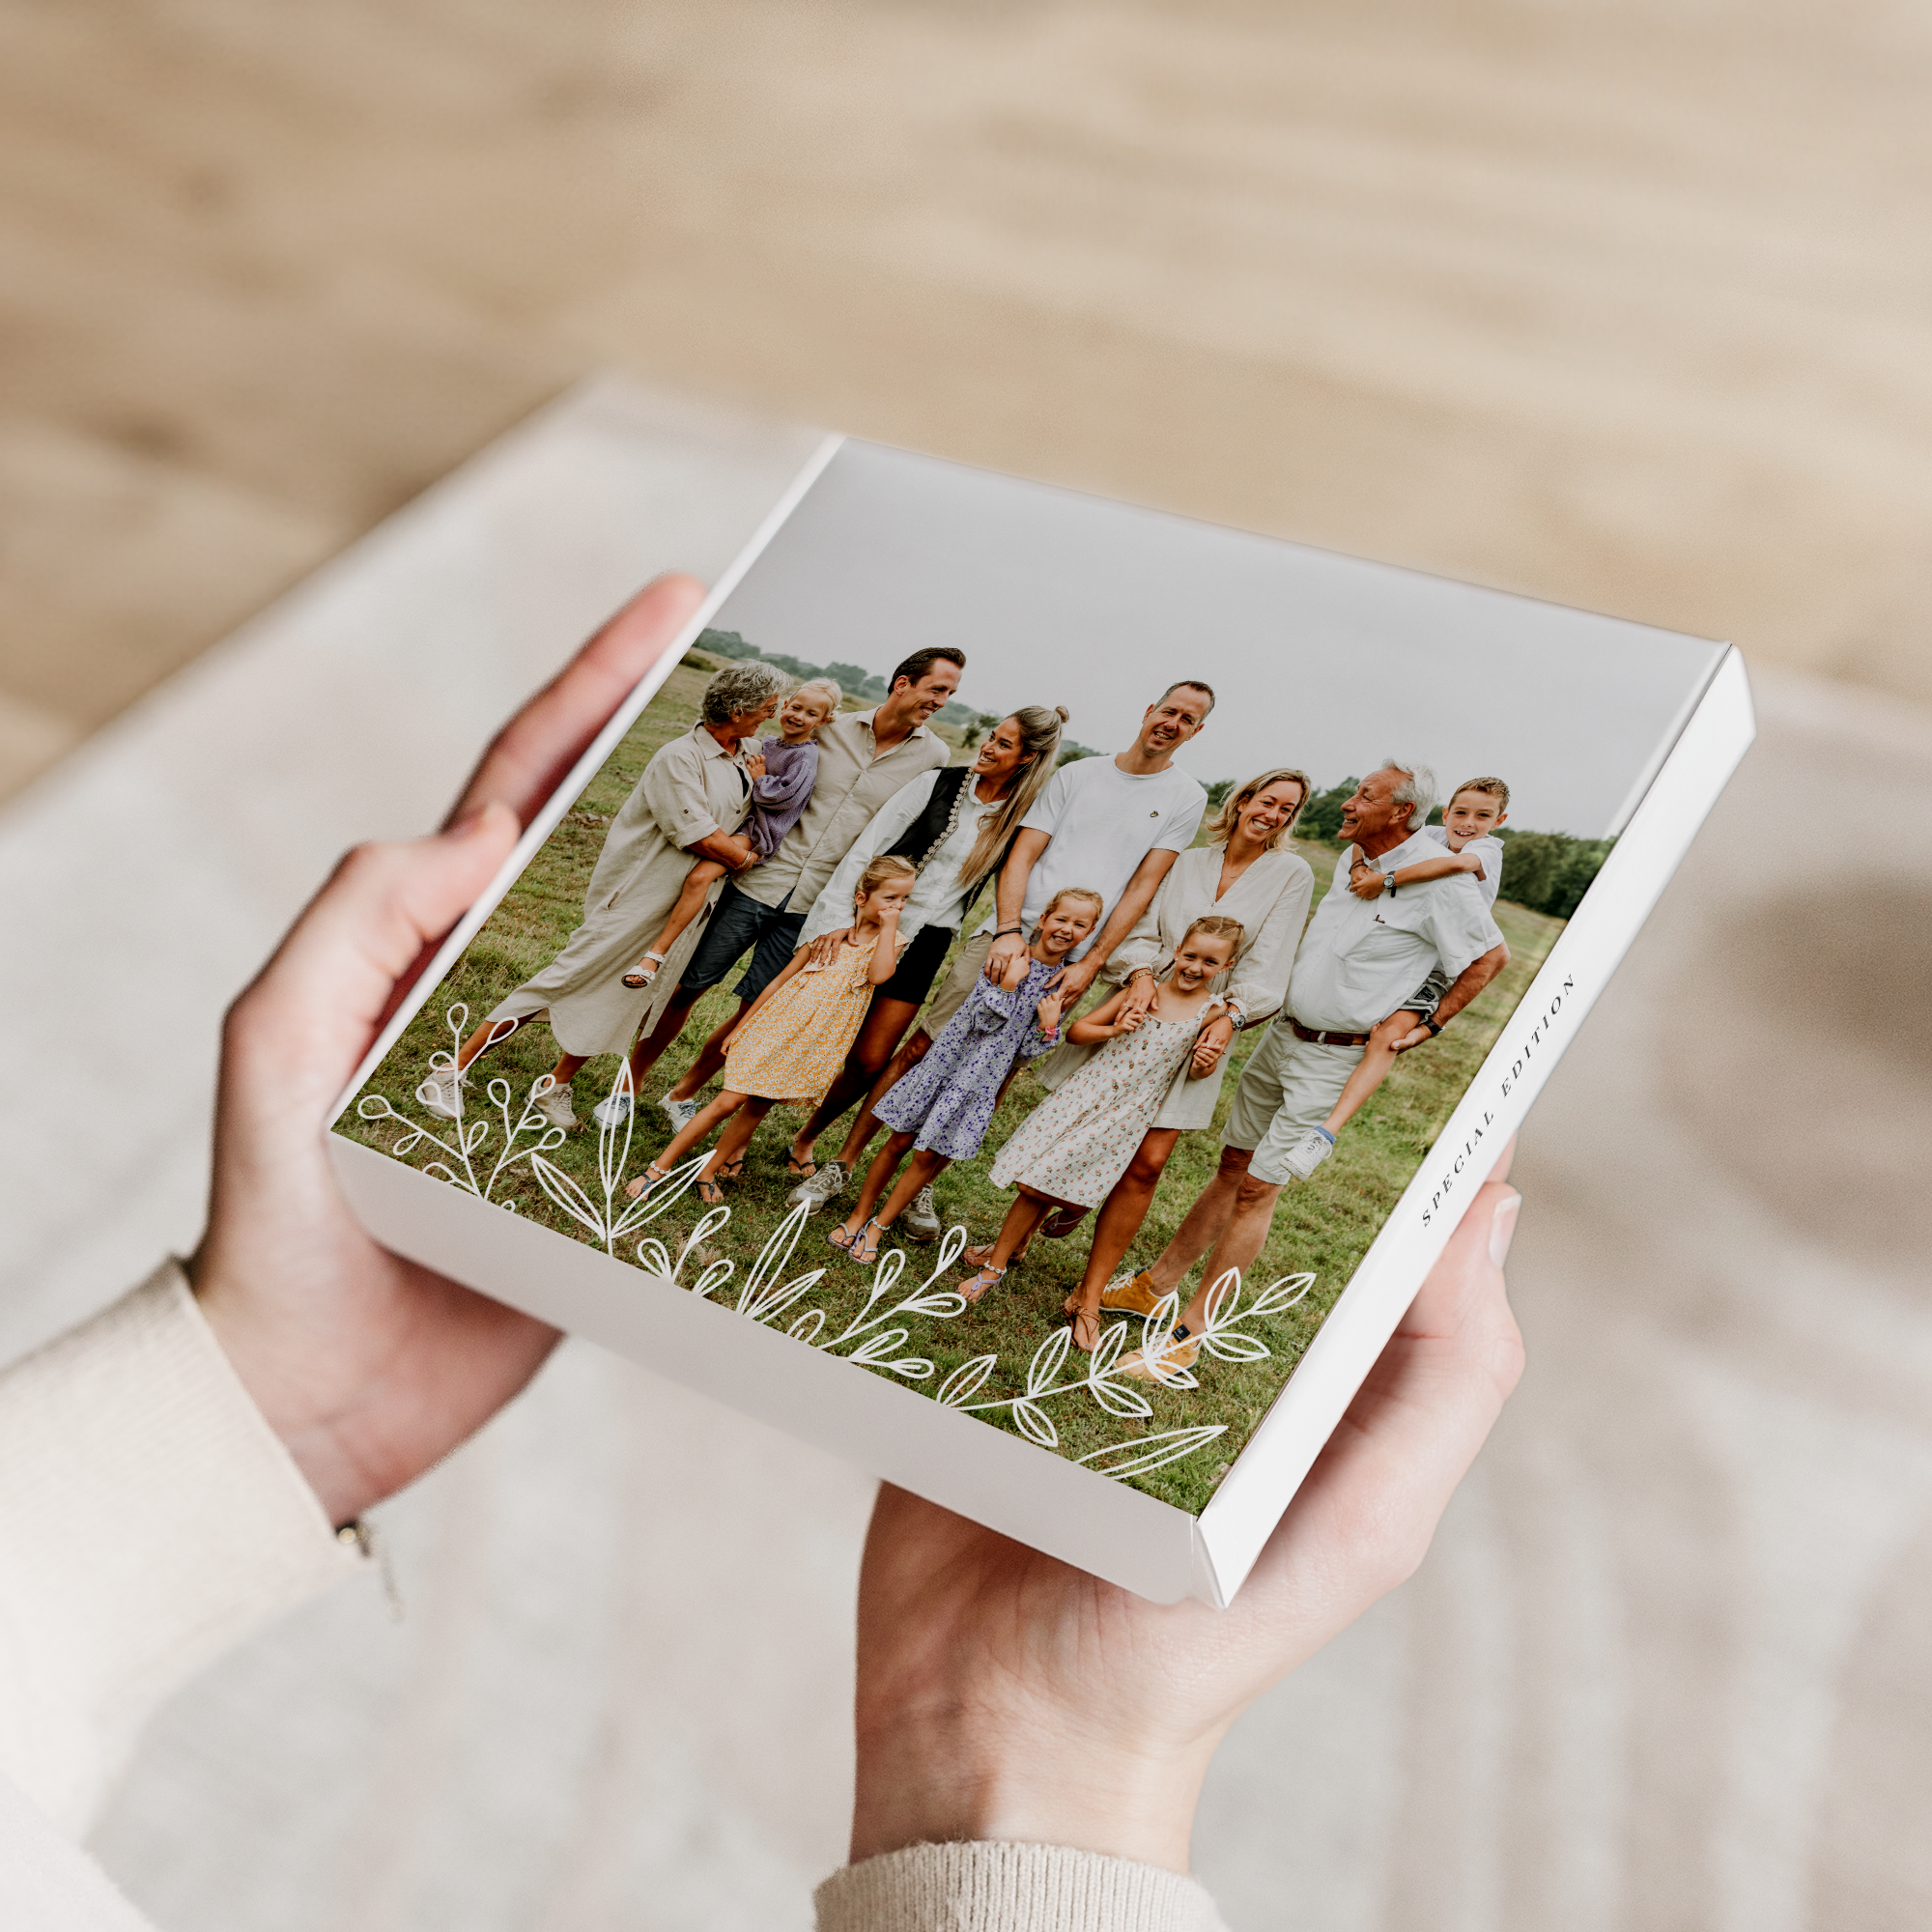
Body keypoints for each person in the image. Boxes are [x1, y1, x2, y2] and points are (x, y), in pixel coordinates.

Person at [0, 582, 1526, 1930]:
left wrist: (258, 1400)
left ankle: (919, 1208)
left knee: (969, 1118)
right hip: (992, 951)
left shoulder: (1246, 846)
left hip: (1099, 996)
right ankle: (766, 1146)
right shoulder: (1040, 789)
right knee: (836, 1063)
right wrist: (1046, 1788)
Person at [1104, 761, 1511, 1382]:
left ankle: (1187, 1336)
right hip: (1282, 1037)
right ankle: (1153, 1287)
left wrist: (1429, 1025)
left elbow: (1489, 958)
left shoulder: (1443, 886)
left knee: (1257, 1189)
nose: (1348, 803)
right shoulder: (1360, 872)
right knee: (1232, 1167)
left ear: (1399, 812)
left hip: (1335, 1057)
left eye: (1364, 796)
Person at [789, 680, 1213, 1219]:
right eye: (1169, 710)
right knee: (926, 1048)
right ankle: (844, 1162)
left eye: (1188, 719)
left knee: (995, 1071)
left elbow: (1143, 886)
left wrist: (1090, 963)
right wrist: (1010, 931)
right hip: (1008, 937)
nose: (1173, 723)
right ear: (1150, 709)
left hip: (1072, 958)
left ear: (1197, 732)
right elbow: (1022, 857)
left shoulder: (1186, 797)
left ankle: (920, 1175)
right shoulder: (1078, 775)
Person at [606, 645, 964, 1131]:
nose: (941, 701)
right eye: (937, 689)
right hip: (757, 880)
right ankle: (629, 1086)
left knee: (756, 1009)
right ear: (903, 682)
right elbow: (762, 767)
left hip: (817, 906)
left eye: (950, 693)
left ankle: (684, 1093)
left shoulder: (934, 757)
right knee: (687, 988)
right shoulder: (828, 726)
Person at [422, 656, 786, 1129]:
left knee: (624, 998)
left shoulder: (748, 752)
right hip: (638, 894)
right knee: (563, 979)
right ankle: (452, 1070)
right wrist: (746, 857)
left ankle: (556, 1085)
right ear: (737, 709)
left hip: (686, 907)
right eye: (766, 707)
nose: (771, 716)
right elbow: (698, 835)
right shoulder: (679, 758)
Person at [1012, 767, 1315, 1287]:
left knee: (1148, 1163)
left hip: (1203, 1026)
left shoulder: (1292, 874)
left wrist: (1231, 1017)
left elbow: (1269, 967)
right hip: (1137, 1009)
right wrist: (1143, 975)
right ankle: (1013, 1242)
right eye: (1267, 801)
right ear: (1243, 800)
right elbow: (1143, 930)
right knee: (1081, 1123)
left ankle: (1090, 1290)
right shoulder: (1191, 860)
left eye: (1287, 809)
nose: (1273, 814)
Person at [781, 705, 1070, 1228]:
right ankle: (758, 1125)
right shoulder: (938, 783)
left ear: (1027, 758)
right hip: (870, 924)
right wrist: (834, 920)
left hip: (930, 939)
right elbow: (867, 849)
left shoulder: (1015, 820)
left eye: (1003, 744)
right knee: (800, 1025)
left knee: (872, 1060)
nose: (988, 746)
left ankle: (819, 1147)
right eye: (992, 734)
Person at [972, 917, 1243, 1347]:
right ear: (1176, 952)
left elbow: (1198, 1068)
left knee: (1068, 1179)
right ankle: (996, 1264)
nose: (1195, 967)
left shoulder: (1212, 1013)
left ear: (1227, 966)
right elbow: (1078, 1032)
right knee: (1034, 1183)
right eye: (1190, 955)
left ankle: (1069, 1234)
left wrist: (1205, 1063)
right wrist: (1117, 1027)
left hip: (1129, 1115)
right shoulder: (1142, 991)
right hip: (1086, 1095)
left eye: (1210, 962)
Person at [825, 887, 1099, 1266]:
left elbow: (1026, 1052)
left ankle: (879, 1226)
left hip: (977, 1085)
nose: (1068, 929)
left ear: (1090, 934)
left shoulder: (1062, 988)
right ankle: (858, 1215)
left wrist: (1049, 1026)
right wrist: (1007, 986)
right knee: (898, 1143)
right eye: (1062, 919)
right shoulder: (1007, 959)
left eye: (1080, 924)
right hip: (945, 1065)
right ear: (1043, 920)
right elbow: (982, 1019)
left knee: (926, 1159)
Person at [625, 855, 916, 1205]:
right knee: (728, 1100)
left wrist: (887, 927)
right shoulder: (826, 936)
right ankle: (658, 1167)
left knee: (760, 1106)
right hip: (776, 1024)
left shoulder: (892, 941)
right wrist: (740, 1028)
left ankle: (708, 1168)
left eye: (904, 900)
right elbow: (779, 980)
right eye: (890, 898)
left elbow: (879, 975)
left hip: (814, 1041)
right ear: (861, 898)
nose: (897, 907)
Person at [1305, 774, 1514, 1151]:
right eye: (1461, 812)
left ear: (1497, 822)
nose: (1468, 823)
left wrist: (1386, 880)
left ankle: (1329, 1129)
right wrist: (1358, 869)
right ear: (1446, 812)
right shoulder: (1432, 835)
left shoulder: (1487, 849)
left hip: (1444, 962)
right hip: (1417, 947)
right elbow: (1366, 843)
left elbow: (1455, 866)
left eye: (1482, 816)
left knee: (1388, 1038)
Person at [620, 677, 840, 989]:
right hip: (742, 822)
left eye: (811, 714)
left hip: (758, 832)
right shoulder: (767, 744)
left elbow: (785, 798)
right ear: (784, 706)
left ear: (824, 721)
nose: (798, 716)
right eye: (795, 707)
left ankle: (655, 955)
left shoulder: (804, 756)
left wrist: (761, 779)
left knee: (699, 878)